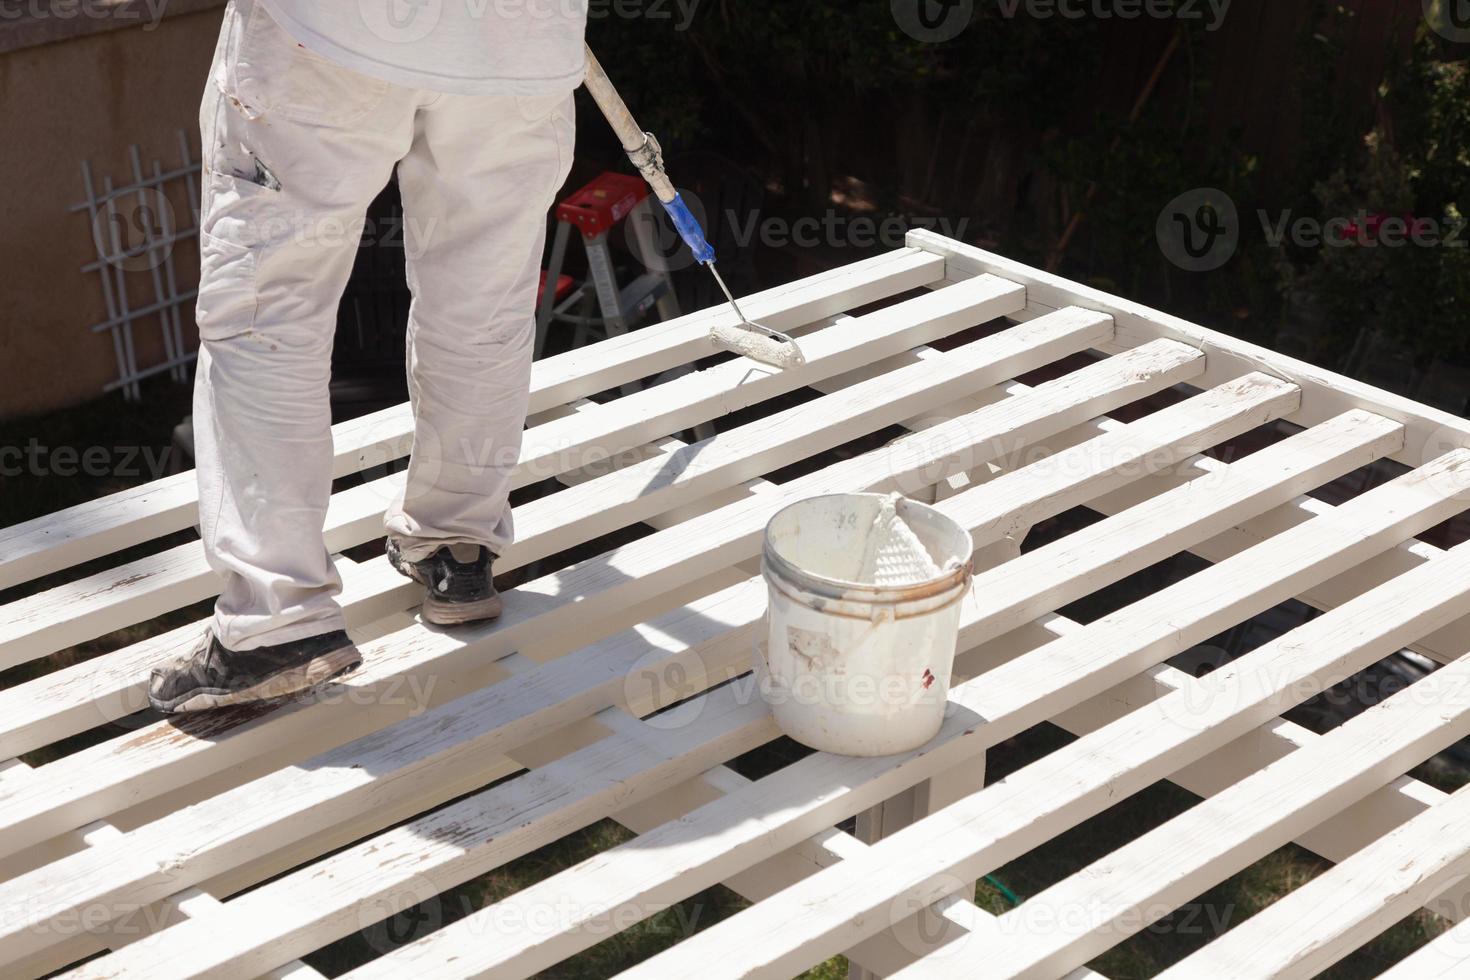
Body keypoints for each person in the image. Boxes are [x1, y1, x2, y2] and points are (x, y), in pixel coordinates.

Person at [148, 0, 583, 714]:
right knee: (483, 301)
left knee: (266, 310)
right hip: (522, 44)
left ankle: (275, 617)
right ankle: (456, 543)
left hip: (327, 34)